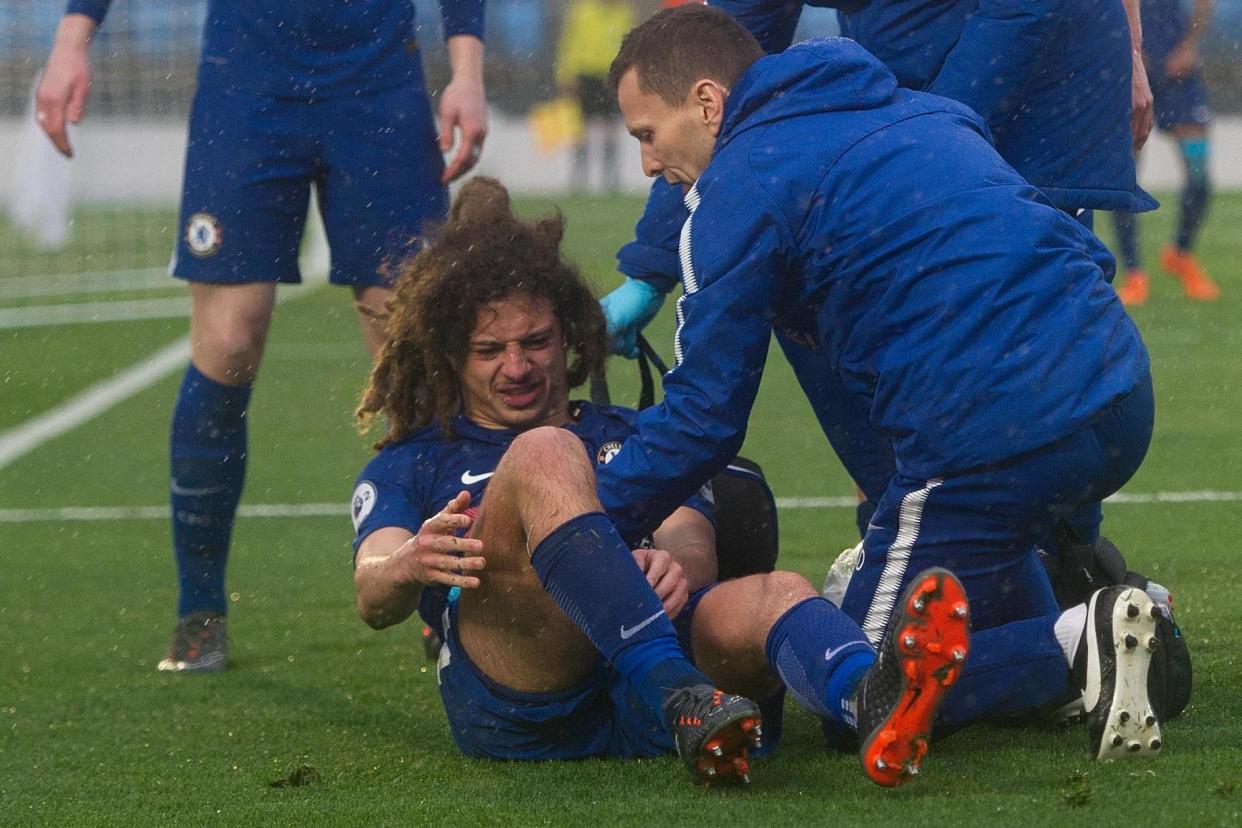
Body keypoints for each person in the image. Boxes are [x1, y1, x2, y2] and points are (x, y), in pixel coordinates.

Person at [602, 5, 1174, 760]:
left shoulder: (739, 186)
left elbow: (705, 418)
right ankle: (1099, 640)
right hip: (1122, 395)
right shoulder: (920, 110)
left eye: (647, 134)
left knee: (861, 695)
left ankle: (1077, 646)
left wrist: (587, 521)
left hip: (995, 438)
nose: (648, 165)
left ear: (708, 104)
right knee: (983, 546)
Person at [350, 177, 973, 787]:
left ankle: (870, 699)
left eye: (536, 342)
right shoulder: (416, 460)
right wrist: (408, 564)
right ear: (452, 357)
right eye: (491, 351)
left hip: (663, 680)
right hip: (523, 697)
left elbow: (689, 536)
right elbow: (372, 593)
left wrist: (673, 564)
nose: (518, 367)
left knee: (776, 592)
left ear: (571, 333)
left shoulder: (637, 431)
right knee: (544, 450)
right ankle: (677, 693)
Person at [34, 0, 489, 672]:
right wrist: (73, 40)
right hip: (246, 88)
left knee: (409, 354)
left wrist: (467, 68)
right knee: (229, 343)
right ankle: (200, 609)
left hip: (379, 87)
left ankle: (442, 598)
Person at [1113, 0, 1221, 306]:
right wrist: (1130, 50)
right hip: (1132, 67)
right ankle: (1134, 273)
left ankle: (1180, 253)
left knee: (1199, 176)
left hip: (1178, 68)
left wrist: (1189, 46)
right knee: (1124, 177)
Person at [554, 0, 635, 193]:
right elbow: (569, 44)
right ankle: (579, 179)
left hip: (612, 76)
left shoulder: (623, 12)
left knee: (611, 130)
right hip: (586, 76)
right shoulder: (583, 10)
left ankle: (611, 179)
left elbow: (631, 47)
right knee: (581, 130)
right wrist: (565, 75)